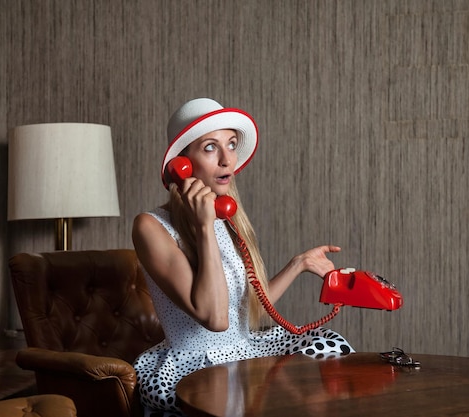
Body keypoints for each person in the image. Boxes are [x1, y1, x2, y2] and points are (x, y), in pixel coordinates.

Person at [132, 98, 354, 416]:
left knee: (330, 345)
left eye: (231, 144)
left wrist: (298, 264)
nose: (227, 160)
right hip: (196, 366)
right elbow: (216, 319)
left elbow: (246, 311)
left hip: (244, 351)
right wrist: (204, 226)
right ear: (181, 164)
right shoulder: (151, 226)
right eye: (210, 147)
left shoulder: (227, 218)